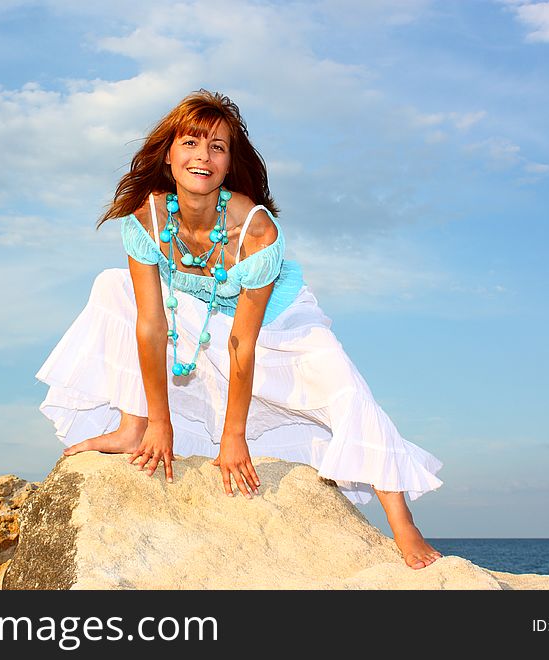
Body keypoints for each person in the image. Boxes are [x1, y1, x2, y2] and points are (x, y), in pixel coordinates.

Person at [36, 90, 443, 570]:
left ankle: (402, 520)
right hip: (200, 309)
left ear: (230, 163)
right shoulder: (146, 220)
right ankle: (133, 425)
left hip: (278, 319)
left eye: (218, 147)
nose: (202, 156)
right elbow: (150, 324)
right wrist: (159, 422)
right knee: (112, 287)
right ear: (169, 155)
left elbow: (241, 342)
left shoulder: (255, 231)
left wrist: (234, 437)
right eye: (191, 142)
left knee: (343, 386)